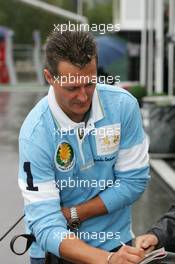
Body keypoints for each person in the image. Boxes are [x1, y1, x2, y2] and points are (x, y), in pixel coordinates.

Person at [18, 30, 150, 264]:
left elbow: (134, 181)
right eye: (71, 88)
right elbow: (46, 224)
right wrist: (108, 260)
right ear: (49, 77)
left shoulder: (123, 106)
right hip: (55, 252)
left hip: (116, 243)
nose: (83, 97)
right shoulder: (35, 133)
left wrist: (75, 213)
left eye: (90, 83)